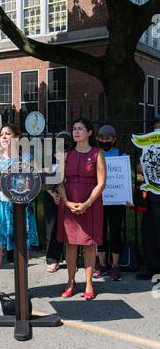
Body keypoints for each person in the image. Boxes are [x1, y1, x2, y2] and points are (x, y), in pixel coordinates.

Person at [0, 124, 39, 303]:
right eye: (2, 134)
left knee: (23, 247)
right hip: (0, 208)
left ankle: (22, 284)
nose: (4, 137)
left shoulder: (26, 158)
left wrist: (54, 193)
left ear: (17, 137)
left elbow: (37, 182)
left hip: (21, 208)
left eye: (8, 134)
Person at [55, 118, 106, 299]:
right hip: (68, 202)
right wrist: (67, 202)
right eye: (74, 129)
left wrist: (87, 203)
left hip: (90, 204)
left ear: (89, 132)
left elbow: (101, 183)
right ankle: (70, 281)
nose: (76, 132)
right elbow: (59, 181)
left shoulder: (97, 154)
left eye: (80, 129)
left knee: (89, 244)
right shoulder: (65, 155)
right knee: (70, 244)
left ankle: (89, 283)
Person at [93, 125, 127, 282]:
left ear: (113, 139)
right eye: (101, 137)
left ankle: (115, 265)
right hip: (99, 200)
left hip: (117, 202)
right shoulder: (95, 154)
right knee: (99, 233)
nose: (104, 140)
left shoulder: (121, 155)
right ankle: (101, 265)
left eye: (107, 138)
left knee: (115, 232)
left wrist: (127, 197)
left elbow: (126, 178)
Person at [136, 115, 160, 280]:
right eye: (155, 128)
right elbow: (139, 168)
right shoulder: (148, 147)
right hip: (150, 196)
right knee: (148, 232)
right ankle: (153, 268)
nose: (157, 130)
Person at [44, 131, 72, 272]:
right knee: (52, 227)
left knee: (71, 227)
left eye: (67, 141)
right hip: (52, 196)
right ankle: (53, 258)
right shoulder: (49, 157)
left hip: (70, 195)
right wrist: (54, 194)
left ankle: (70, 258)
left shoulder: (74, 155)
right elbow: (44, 176)